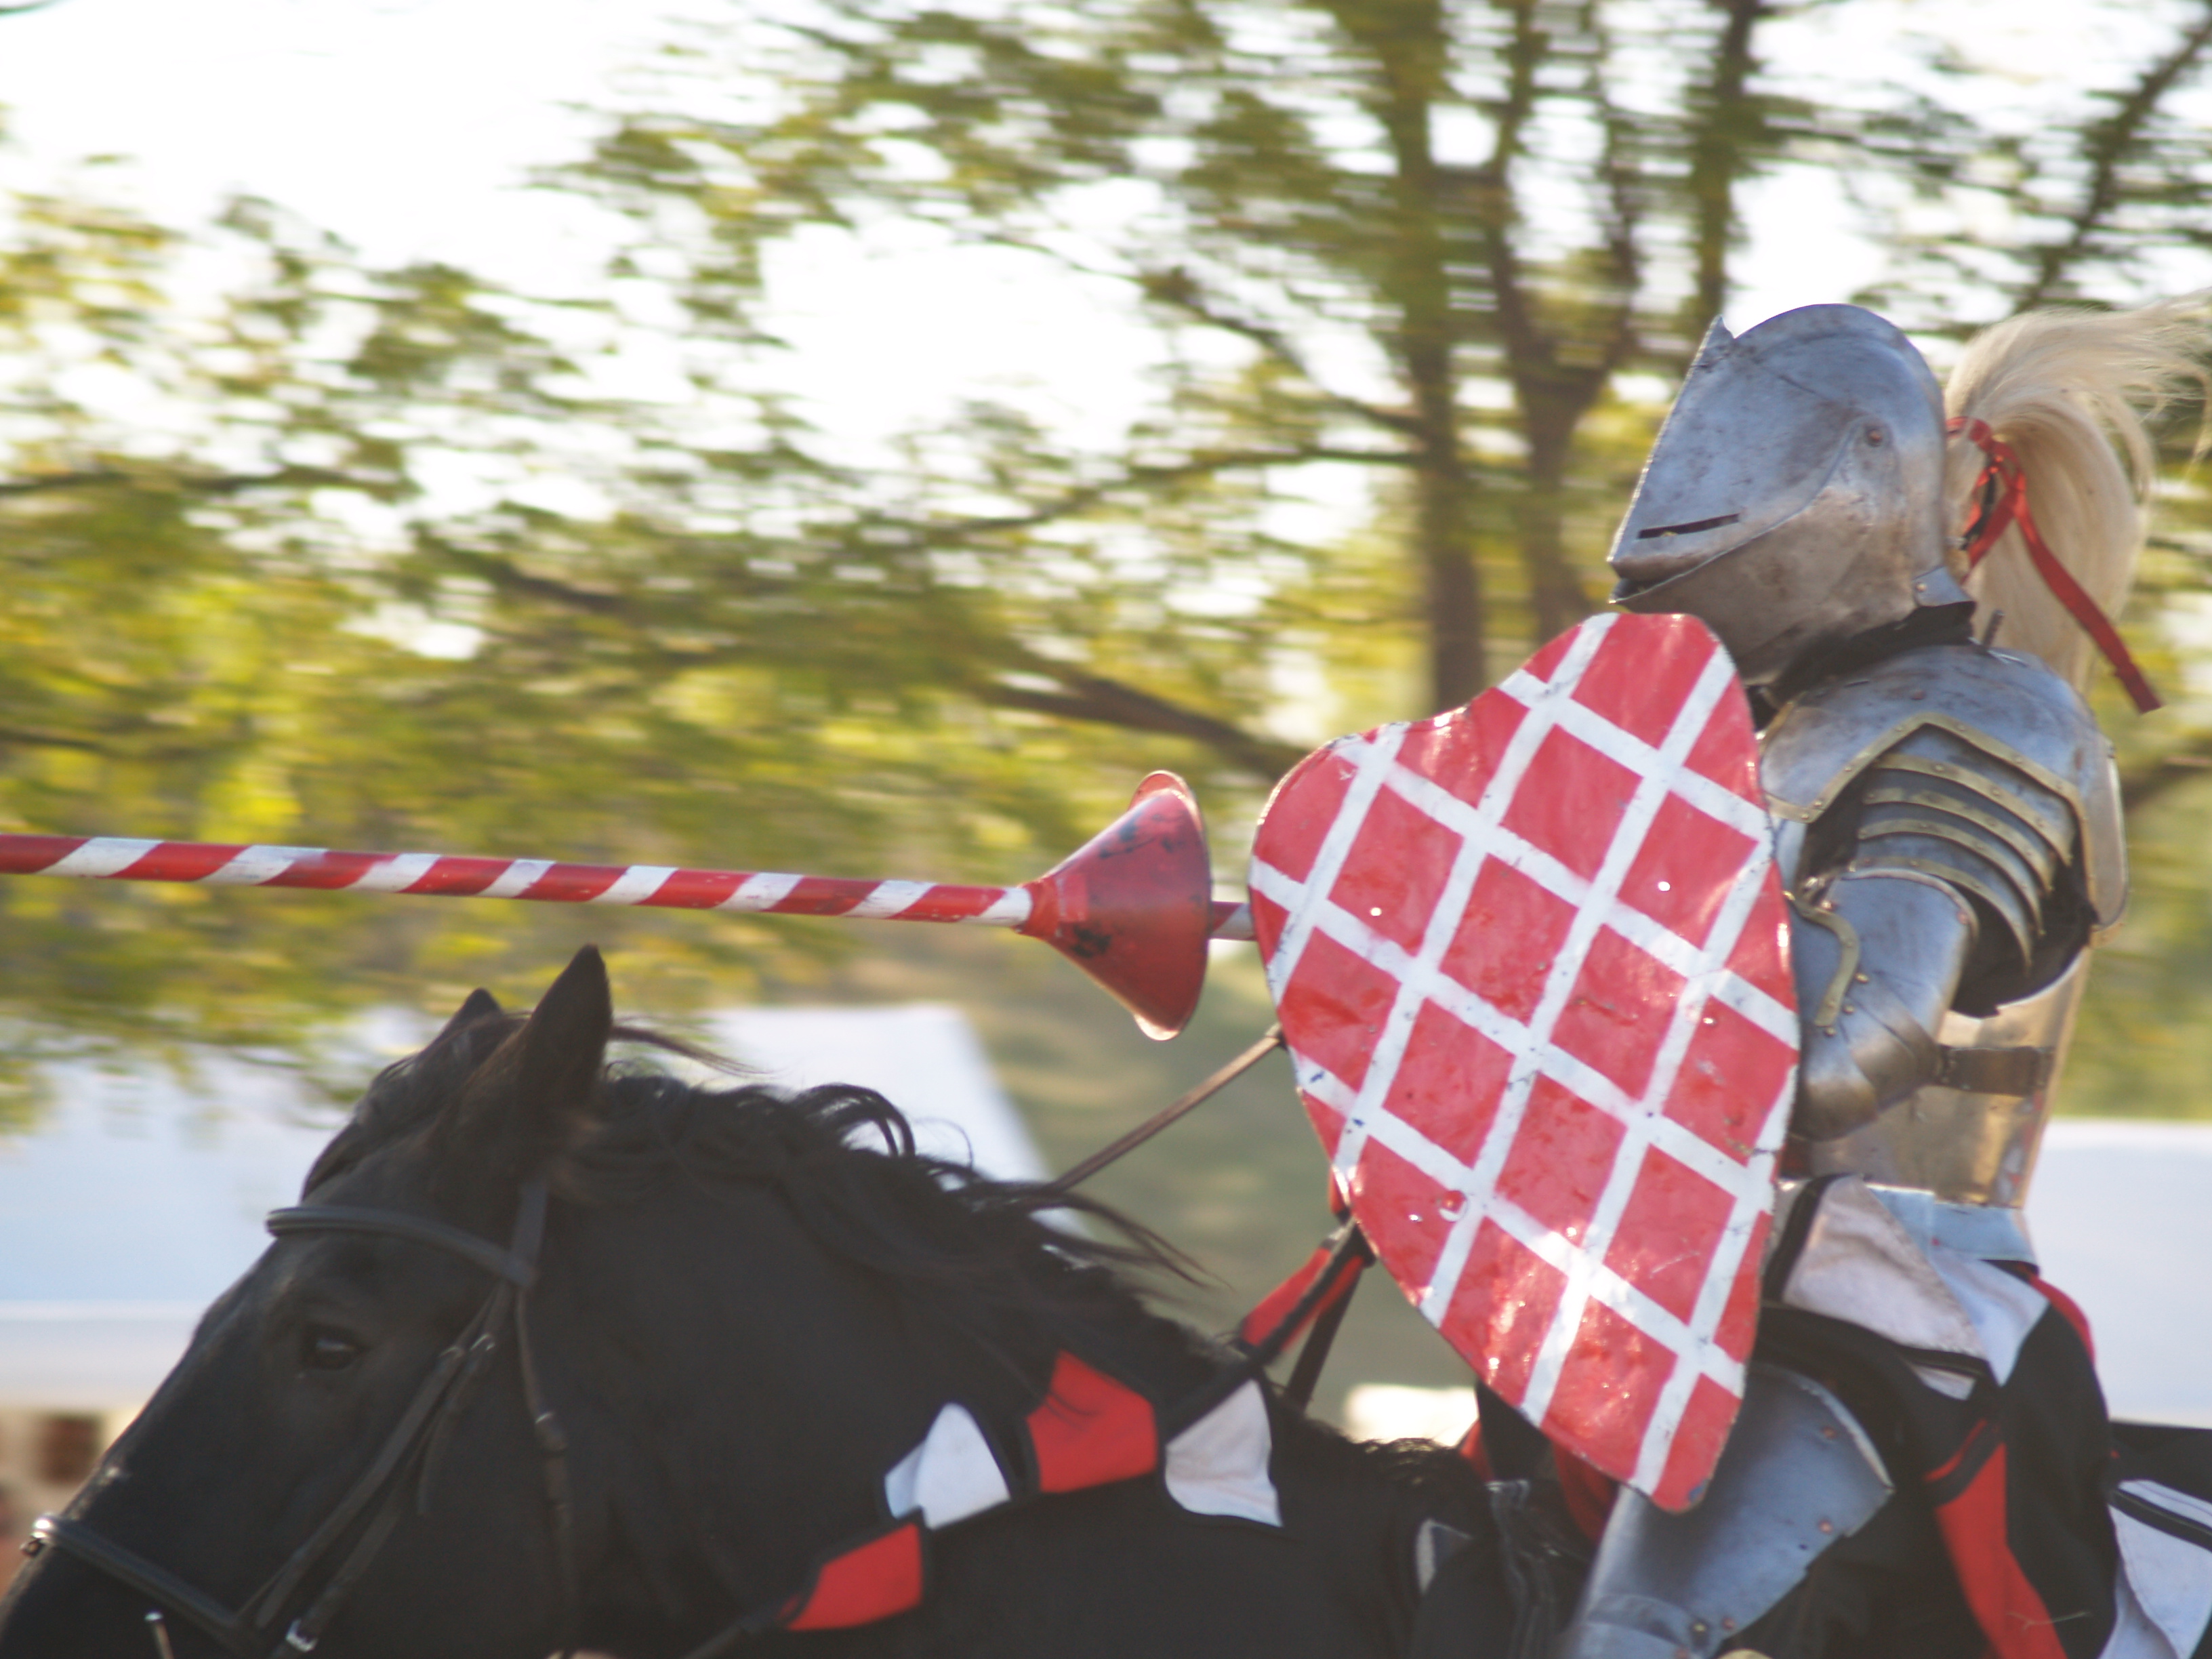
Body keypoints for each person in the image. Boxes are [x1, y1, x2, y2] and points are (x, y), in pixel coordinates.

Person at [1544, 298, 2206, 1659]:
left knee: (1634, 1635)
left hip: (1880, 1292)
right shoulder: (1748, 737)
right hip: (1686, 1277)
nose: (1658, 555)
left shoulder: (1976, 720)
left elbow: (1849, 1048)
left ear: (1848, 493)